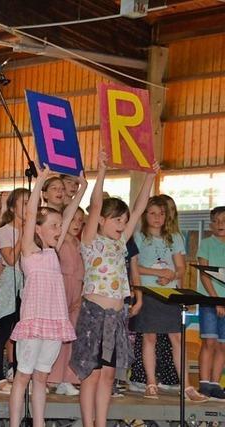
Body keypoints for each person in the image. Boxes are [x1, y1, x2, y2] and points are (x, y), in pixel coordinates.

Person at [71, 150, 157, 427]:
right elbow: (95, 205)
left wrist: (150, 177)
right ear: (101, 221)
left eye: (124, 220)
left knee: (108, 375)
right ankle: (88, 423)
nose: (122, 225)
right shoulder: (91, 241)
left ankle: (101, 422)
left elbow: (140, 208)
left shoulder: (121, 244)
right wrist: (102, 171)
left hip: (117, 317)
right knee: (92, 374)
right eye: (117, 220)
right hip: (95, 315)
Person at [8, 167, 86, 427]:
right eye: (53, 226)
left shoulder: (54, 250)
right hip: (34, 322)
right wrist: (40, 180)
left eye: (60, 226)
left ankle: (39, 423)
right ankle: (15, 423)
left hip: (54, 322)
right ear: (38, 230)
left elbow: (71, 211)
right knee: (23, 376)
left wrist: (83, 188)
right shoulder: (29, 250)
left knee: (41, 377)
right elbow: (31, 213)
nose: (59, 229)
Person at [131, 196, 207, 401]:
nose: (157, 218)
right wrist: (158, 273)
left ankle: (187, 385)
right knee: (150, 337)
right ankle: (150, 382)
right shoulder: (138, 237)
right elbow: (133, 267)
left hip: (170, 294)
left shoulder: (175, 237)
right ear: (145, 215)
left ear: (167, 216)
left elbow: (181, 268)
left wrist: (171, 275)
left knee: (177, 338)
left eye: (161, 213)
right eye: (152, 213)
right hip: (149, 292)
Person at [0, 188, 29, 394]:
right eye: (24, 203)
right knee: (4, 330)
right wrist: (23, 233)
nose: (29, 207)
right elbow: (10, 259)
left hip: (28, 285)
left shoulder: (35, 230)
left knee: (22, 333)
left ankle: (18, 373)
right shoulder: (4, 231)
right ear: (13, 207)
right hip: (9, 284)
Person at [47, 206, 86, 396]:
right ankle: (53, 376)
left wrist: (79, 295)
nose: (77, 224)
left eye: (80, 220)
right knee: (58, 336)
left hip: (76, 291)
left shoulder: (79, 244)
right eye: (73, 219)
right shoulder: (60, 244)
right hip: (62, 290)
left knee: (72, 336)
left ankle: (67, 377)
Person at [196, 206, 225, 400]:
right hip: (209, 300)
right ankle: (204, 383)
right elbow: (204, 273)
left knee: (223, 345)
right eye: (216, 221)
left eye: (224, 220)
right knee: (209, 341)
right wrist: (216, 301)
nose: (220, 224)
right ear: (211, 224)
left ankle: (215, 384)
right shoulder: (206, 243)